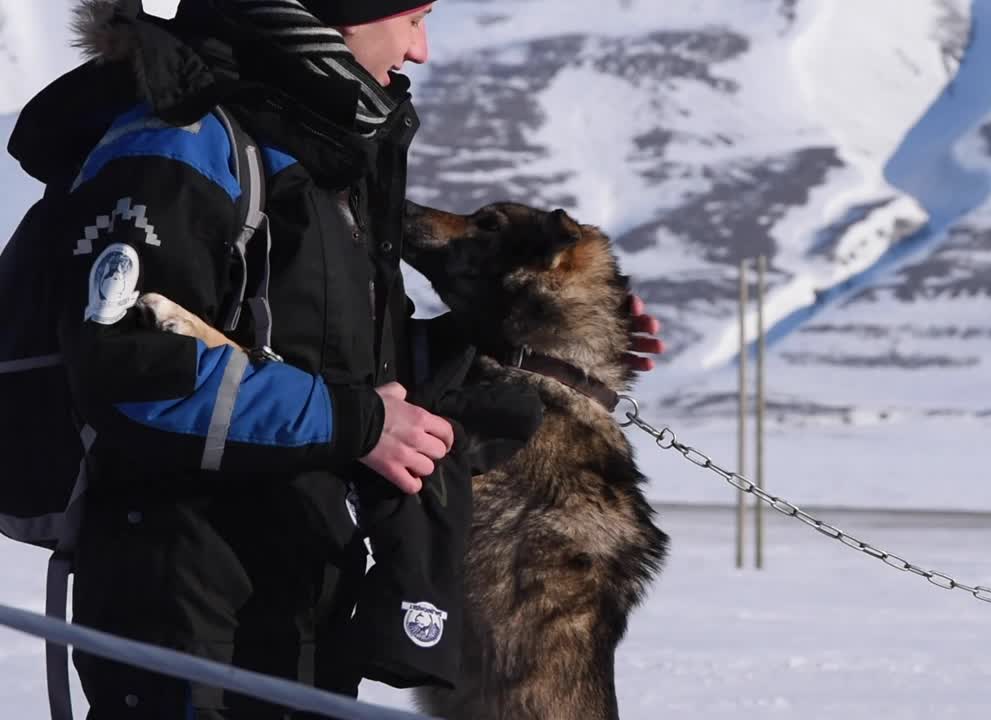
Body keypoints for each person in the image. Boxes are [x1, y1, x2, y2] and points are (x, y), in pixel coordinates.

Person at [6, 0, 663, 716]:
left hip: (304, 583)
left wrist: (543, 341)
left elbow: (359, 366)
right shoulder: (182, 143)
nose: (421, 50)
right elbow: (133, 370)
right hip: (186, 592)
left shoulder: (319, 159)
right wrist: (358, 425)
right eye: (414, 18)